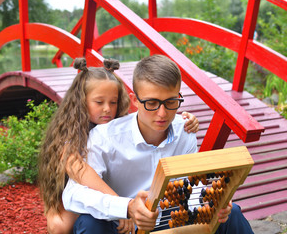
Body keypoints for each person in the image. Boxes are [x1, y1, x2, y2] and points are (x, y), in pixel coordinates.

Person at [62, 55, 254, 234]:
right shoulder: (104, 136)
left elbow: (190, 186)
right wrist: (125, 207)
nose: (162, 113)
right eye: (152, 103)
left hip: (169, 222)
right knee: (89, 223)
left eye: (171, 102)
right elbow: (73, 193)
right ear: (135, 100)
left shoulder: (184, 130)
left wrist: (212, 200)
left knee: (232, 212)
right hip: (121, 225)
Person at [38, 57, 199, 234]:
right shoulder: (75, 136)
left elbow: (193, 183)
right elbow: (83, 180)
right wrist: (124, 208)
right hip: (87, 192)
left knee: (232, 214)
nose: (107, 109)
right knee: (61, 226)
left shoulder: (179, 128)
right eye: (99, 102)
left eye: (113, 102)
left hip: (143, 211)